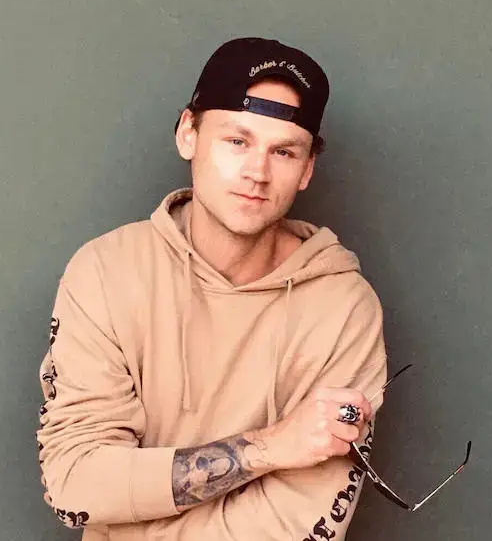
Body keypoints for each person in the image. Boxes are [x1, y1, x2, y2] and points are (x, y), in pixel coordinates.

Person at [36, 37, 389, 540]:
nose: (257, 172)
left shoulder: (344, 311)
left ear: (307, 169)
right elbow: (76, 486)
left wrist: (135, 511)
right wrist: (268, 448)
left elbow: (298, 528)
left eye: (283, 151)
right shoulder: (106, 271)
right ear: (188, 134)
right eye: (237, 141)